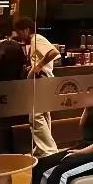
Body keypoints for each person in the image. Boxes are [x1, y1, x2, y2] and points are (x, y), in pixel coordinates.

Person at [14, 17, 60, 157]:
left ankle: (49, 150)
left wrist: (38, 66)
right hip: (43, 80)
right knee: (43, 115)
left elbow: (54, 52)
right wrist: (34, 66)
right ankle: (42, 149)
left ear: (26, 30)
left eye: (19, 32)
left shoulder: (36, 39)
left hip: (42, 80)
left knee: (35, 116)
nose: (18, 35)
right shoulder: (35, 40)